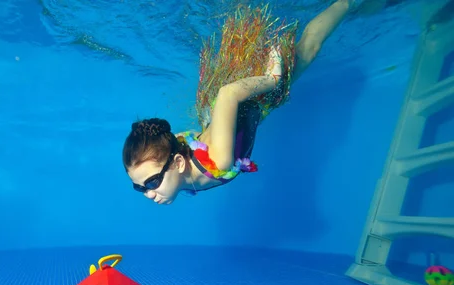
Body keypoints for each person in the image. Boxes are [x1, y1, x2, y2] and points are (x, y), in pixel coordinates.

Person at [122, 0, 377, 205]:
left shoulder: (218, 162)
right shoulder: (176, 159)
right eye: (139, 187)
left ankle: (347, 3)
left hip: (256, 96)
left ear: (178, 163)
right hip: (228, 116)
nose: (148, 193)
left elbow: (228, 94)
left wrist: (271, 80)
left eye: (152, 182)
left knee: (307, 48)